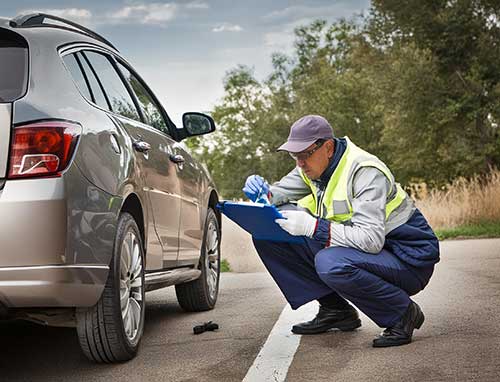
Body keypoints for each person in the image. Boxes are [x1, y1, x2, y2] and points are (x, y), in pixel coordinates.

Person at [243, 115, 439, 347]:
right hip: (368, 253)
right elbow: (276, 196)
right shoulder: (311, 169)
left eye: (304, 155)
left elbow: (371, 240)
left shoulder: (365, 171)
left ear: (327, 147)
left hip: (408, 259)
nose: (300, 163)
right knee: (271, 233)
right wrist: (261, 192)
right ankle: (335, 310)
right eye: (295, 156)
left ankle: (402, 313)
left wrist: (312, 226)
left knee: (331, 262)